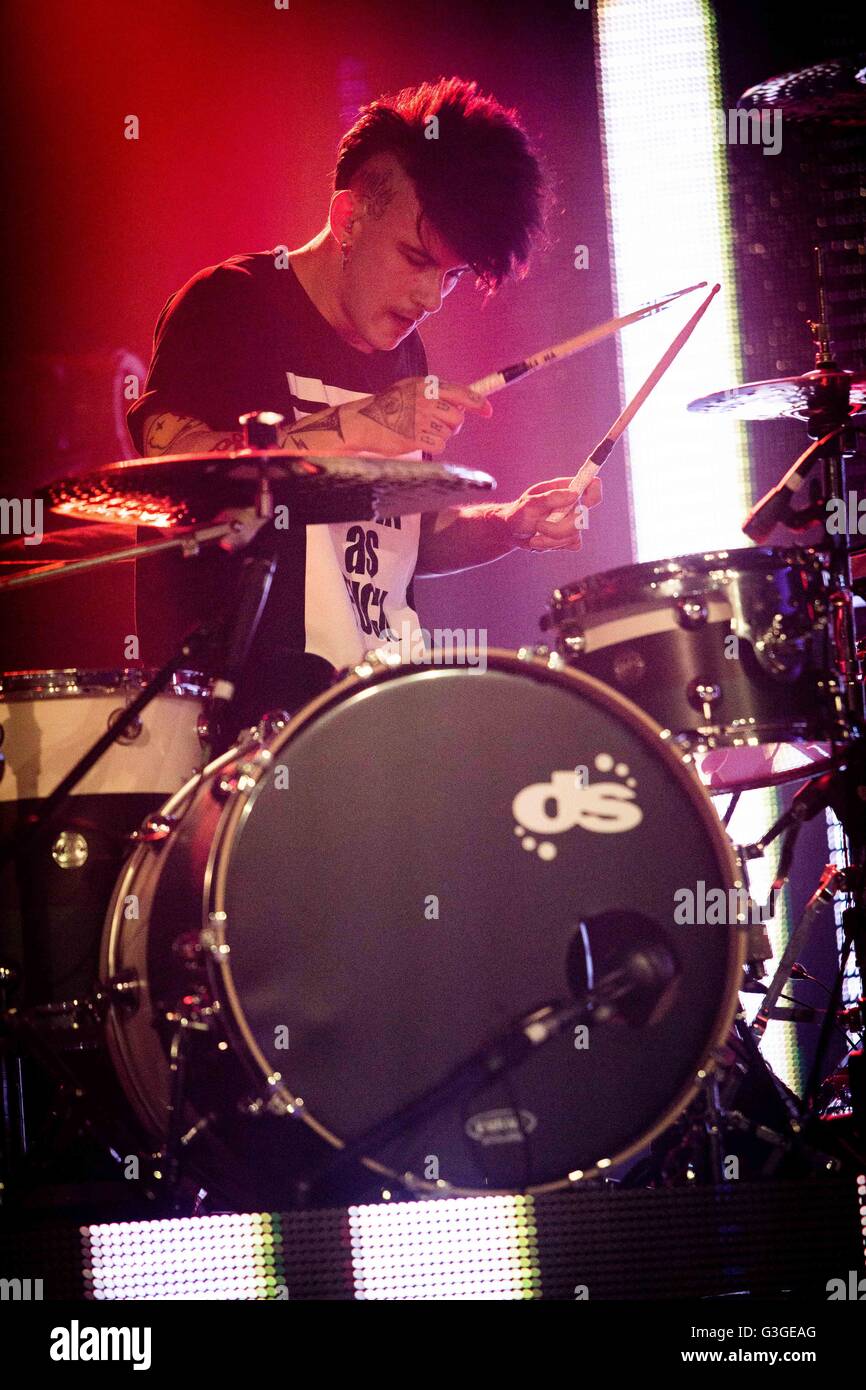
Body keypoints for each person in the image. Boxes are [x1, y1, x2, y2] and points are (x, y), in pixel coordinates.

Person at [126, 76, 602, 722]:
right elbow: (176, 476)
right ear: (348, 219)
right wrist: (357, 424)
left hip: (378, 714)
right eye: (415, 258)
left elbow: (411, 537)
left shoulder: (406, 353)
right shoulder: (227, 305)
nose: (431, 299)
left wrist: (509, 524)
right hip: (243, 728)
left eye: (452, 276)